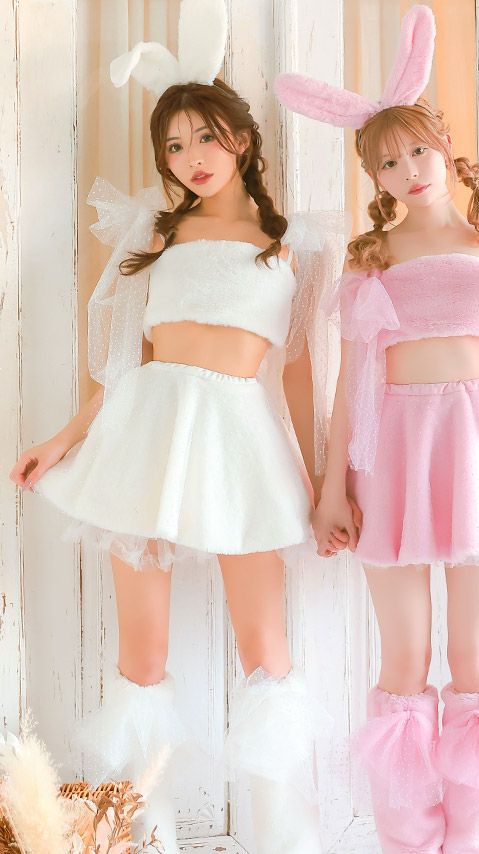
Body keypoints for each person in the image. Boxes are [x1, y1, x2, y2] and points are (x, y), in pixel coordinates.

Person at [9, 2, 337, 851]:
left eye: (206, 138)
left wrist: (320, 479)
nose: (191, 157)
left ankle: (277, 832)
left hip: (242, 441)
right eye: (175, 145)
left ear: (243, 140)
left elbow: (298, 371)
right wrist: (62, 439)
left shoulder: (293, 244)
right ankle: (143, 830)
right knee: (141, 653)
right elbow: (124, 365)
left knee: (266, 649)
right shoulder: (155, 232)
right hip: (143, 435)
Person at [276, 5, 479, 853]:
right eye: (387, 161)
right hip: (394, 458)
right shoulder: (370, 260)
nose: (407, 170)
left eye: (417, 151)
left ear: (444, 148)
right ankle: (409, 845)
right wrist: (331, 490)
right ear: (372, 178)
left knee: (476, 665)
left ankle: (477, 846)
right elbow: (352, 388)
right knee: (404, 667)